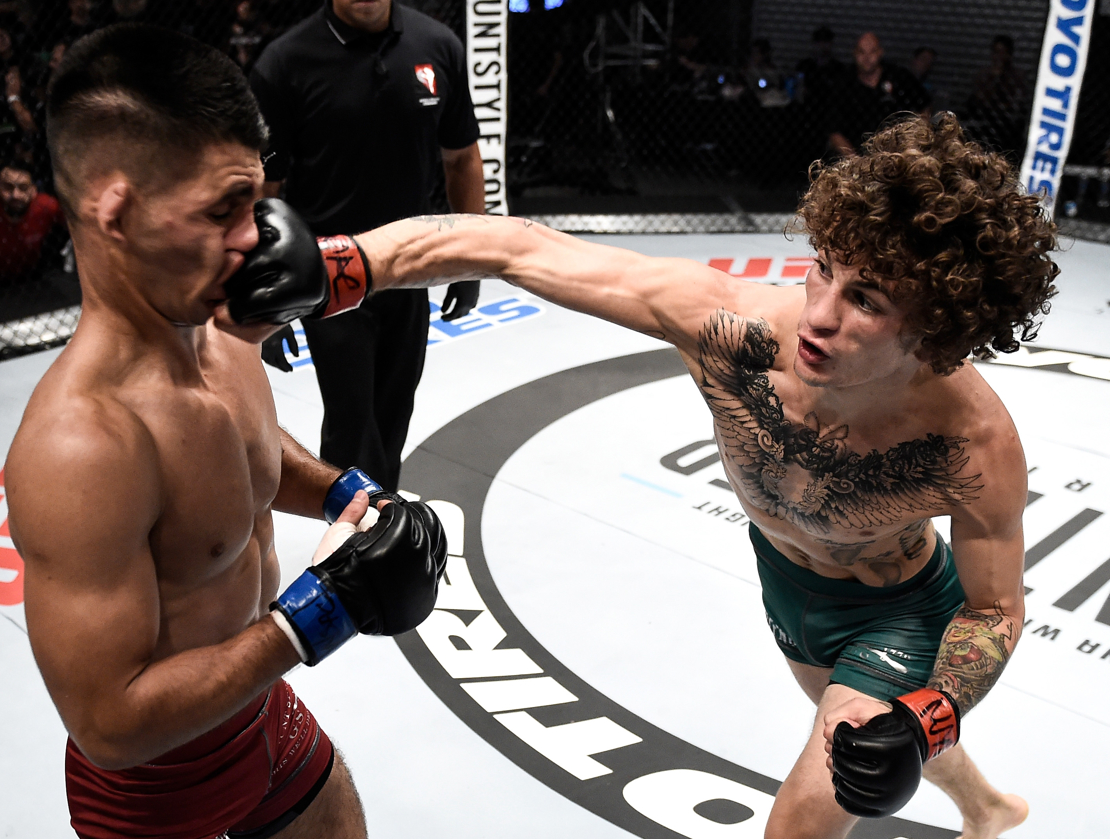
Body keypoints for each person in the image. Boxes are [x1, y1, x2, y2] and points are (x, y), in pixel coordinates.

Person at [343, 112, 1055, 838]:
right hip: (787, 583)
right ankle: (988, 807)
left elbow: (994, 609)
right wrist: (346, 265)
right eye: (824, 269)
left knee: (806, 814)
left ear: (936, 327)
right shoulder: (731, 333)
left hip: (897, 609)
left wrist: (928, 716)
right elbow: (513, 247)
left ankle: (948, 772)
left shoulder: (972, 444)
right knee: (869, 741)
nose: (819, 314)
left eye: (866, 299)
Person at [4, 24, 447, 839]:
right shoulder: (83, 446)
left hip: (257, 708)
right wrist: (319, 615)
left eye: (254, 200)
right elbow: (110, 721)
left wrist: (349, 495)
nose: (254, 235)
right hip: (160, 789)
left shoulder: (220, 323)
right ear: (118, 211)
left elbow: (248, 453)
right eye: (222, 208)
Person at [248, 0, 485, 490]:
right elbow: (264, 187)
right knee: (353, 423)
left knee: (393, 413)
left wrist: (469, 258)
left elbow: (461, 158)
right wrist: (266, 299)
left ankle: (379, 532)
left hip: (412, 264)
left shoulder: (436, 45)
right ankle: (357, 544)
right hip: (331, 275)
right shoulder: (285, 62)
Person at [0, 160, 66, 296]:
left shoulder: (47, 207)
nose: (15, 195)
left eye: (23, 188)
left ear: (33, 190)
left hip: (31, 281)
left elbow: (79, 230)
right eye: (8, 187)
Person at [826, 32, 929, 158]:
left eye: (872, 52)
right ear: (854, 53)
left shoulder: (898, 77)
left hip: (898, 157)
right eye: (862, 52)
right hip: (859, 158)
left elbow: (924, 107)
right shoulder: (844, 84)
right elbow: (833, 131)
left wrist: (915, 143)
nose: (867, 57)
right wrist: (856, 161)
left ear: (880, 52)